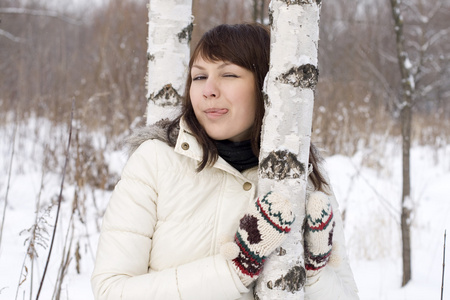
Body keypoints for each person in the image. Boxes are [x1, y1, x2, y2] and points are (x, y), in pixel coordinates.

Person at [91, 23, 359, 300]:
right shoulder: (155, 161)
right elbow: (112, 290)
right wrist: (234, 270)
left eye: (229, 74)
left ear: (270, 86)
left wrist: (314, 274)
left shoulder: (301, 179)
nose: (208, 90)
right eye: (198, 77)